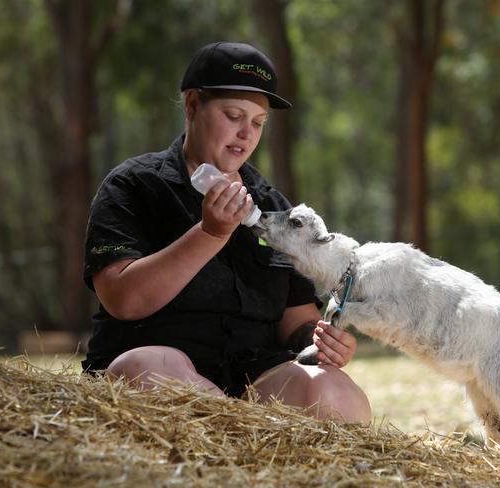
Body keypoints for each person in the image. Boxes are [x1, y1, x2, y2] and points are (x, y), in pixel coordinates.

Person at [82, 41, 371, 423]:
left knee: (335, 392)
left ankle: (236, 437)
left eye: (257, 123)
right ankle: (235, 440)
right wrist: (209, 234)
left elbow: (296, 322)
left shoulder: (275, 208)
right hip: (161, 362)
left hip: (254, 379)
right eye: (233, 115)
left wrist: (321, 342)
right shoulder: (134, 186)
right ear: (191, 106)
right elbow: (124, 299)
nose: (245, 134)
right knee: (149, 372)